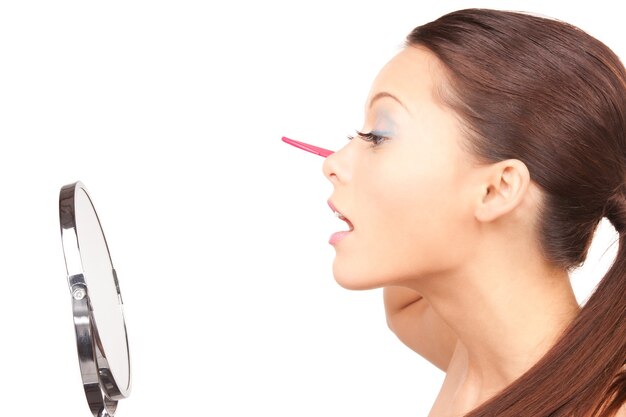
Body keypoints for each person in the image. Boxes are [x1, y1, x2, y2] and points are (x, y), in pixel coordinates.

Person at [322, 8, 626, 417]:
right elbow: (403, 305)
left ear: (497, 188)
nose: (332, 164)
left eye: (377, 136)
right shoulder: (476, 353)